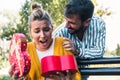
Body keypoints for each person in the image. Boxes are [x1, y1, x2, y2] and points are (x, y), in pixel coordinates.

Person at [8, 2, 81, 80]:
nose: (42, 35)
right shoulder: (26, 50)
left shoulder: (63, 44)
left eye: (46, 30)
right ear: (30, 32)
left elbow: (76, 76)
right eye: (37, 31)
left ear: (52, 28)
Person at [52, 0, 106, 80]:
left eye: (71, 23)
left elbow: (99, 50)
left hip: (85, 72)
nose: (66, 25)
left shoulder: (99, 24)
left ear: (87, 22)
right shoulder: (60, 32)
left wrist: (77, 51)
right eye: (66, 20)